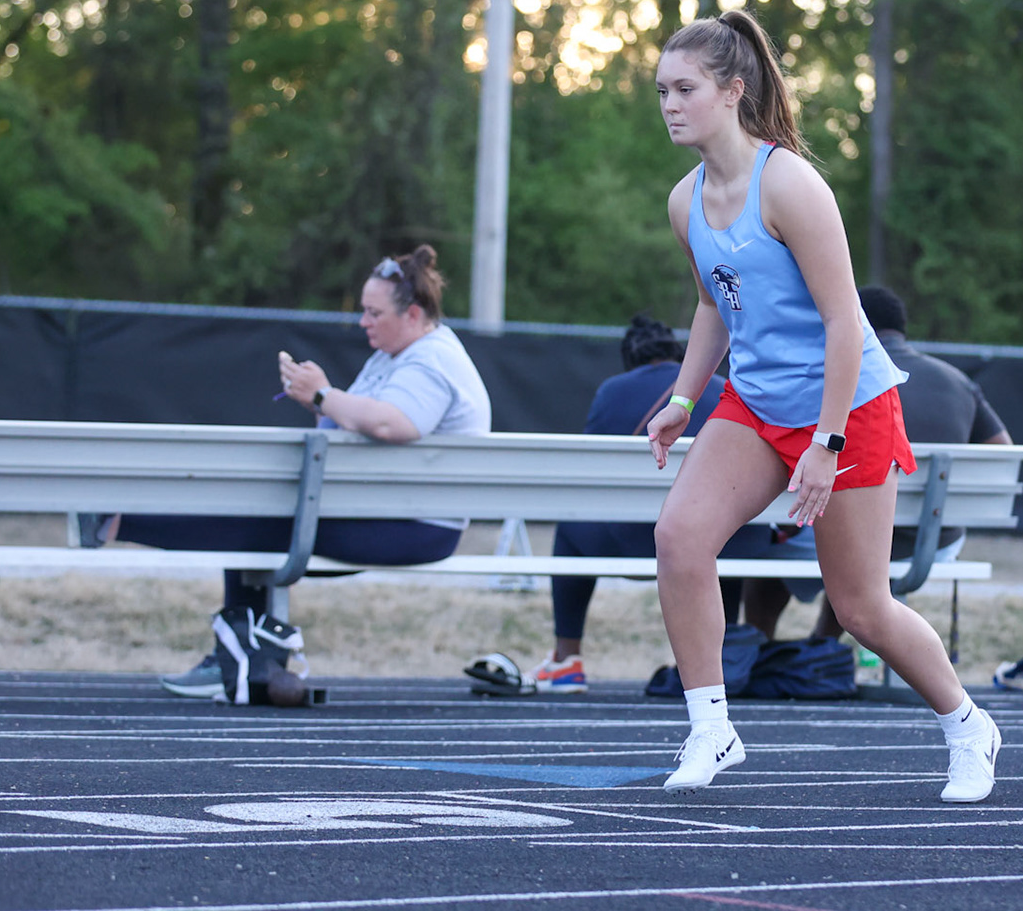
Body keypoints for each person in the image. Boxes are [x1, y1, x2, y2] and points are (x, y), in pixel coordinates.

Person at [645, 10, 999, 801]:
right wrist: (683, 398)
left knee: (861, 608)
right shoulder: (684, 200)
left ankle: (967, 724)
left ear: (733, 91)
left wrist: (826, 444)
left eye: (685, 89)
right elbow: (711, 306)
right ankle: (711, 728)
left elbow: (845, 320)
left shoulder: (791, 185)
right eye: (662, 90)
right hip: (757, 403)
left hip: (848, 408)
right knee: (679, 538)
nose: (669, 104)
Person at [106, 245, 492, 697]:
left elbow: (394, 424)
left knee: (254, 523)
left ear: (412, 314)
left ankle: (120, 523)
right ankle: (244, 659)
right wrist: (319, 401)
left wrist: (324, 395)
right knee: (255, 517)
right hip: (382, 512)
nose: (363, 322)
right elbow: (349, 427)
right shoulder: (398, 355)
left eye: (374, 313)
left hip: (415, 527)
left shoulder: (431, 359)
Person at [742, 284, 1013, 640]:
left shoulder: (832, 376)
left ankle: (758, 645)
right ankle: (822, 647)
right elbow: (1002, 451)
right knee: (849, 546)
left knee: (776, 550)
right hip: (934, 541)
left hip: (853, 536)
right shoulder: (957, 381)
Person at [531, 312, 784, 694]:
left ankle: (567, 657)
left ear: (629, 359)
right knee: (724, 534)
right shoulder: (724, 389)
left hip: (633, 540)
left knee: (569, 530)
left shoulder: (612, 391)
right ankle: (724, 655)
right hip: (723, 540)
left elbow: (593, 471)